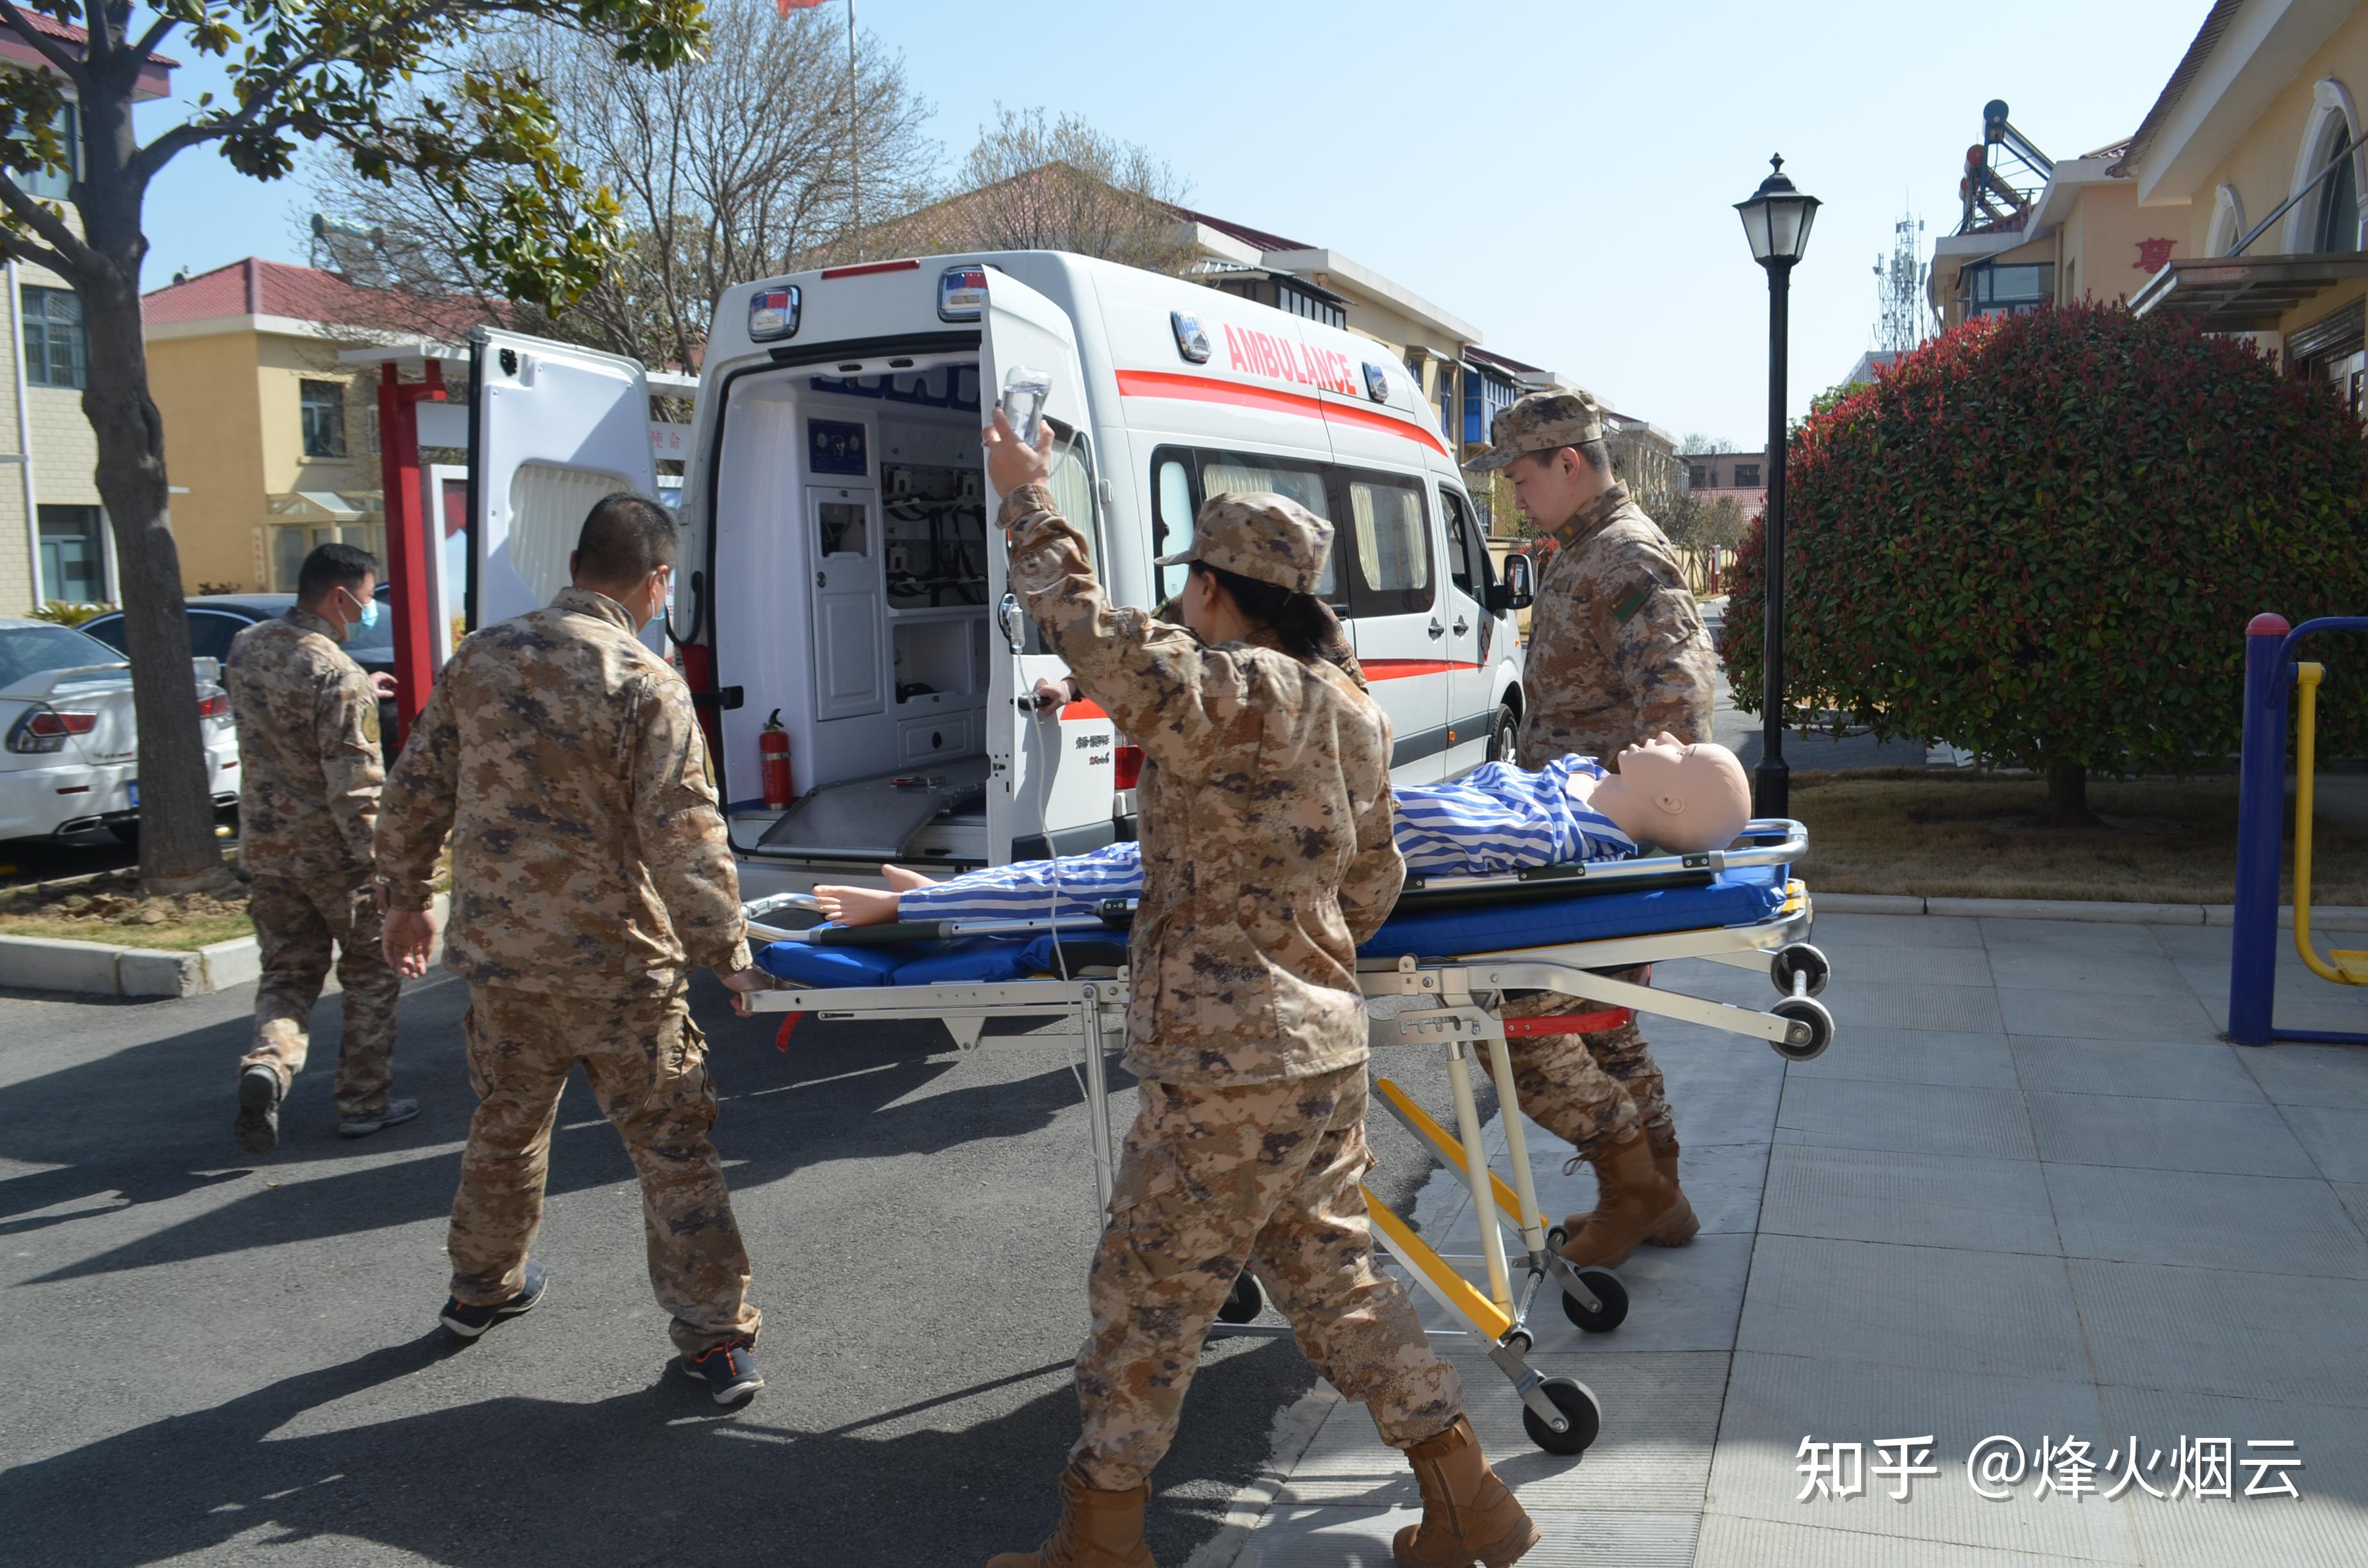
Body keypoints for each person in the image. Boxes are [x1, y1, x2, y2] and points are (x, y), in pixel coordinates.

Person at [980, 410, 1537, 1568]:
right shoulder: (1352, 708)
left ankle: (1103, 1539)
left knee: (1145, 1295)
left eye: (1192, 582)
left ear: (1220, 590)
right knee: (1336, 1284)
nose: (1184, 602)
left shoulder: (1243, 690)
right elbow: (1373, 875)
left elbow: (1102, 645)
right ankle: (1470, 1500)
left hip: (1228, 1066)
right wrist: (1296, 955)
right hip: (1321, 1050)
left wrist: (1030, 502)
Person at [375, 493, 773, 1405]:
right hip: (619, 969)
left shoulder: (481, 656)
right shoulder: (644, 678)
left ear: (579, 563)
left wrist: (405, 900)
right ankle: (714, 1339)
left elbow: (415, 788)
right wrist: (727, 950)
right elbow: (684, 830)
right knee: (673, 1146)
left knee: (506, 1125)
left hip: (503, 960)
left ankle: (482, 1288)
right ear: (655, 580)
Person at [1468, 389, 1723, 1271]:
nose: (1513, 494)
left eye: (1522, 474)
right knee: (1606, 1026)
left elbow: (1679, 708)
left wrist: (1636, 844)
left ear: (1568, 462)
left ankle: (1635, 1191)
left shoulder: (1624, 560)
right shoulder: (1584, 553)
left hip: (1600, 850)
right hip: (1575, 845)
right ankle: (1664, 1195)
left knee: (1520, 1030)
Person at [812, 737, 1751, 927]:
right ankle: (946, 899)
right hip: (1309, 835)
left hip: (1307, 858)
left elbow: (1401, 821)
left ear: (1671, 810)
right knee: (1119, 863)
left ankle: (927, 912)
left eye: (1684, 754)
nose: (1665, 736)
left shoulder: (1546, 837)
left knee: (1119, 882)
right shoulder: (1579, 790)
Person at [229, 542, 412, 1155]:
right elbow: (356, 789)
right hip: (335, 859)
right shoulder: (337, 675)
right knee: (370, 977)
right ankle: (364, 1103)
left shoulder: (249, 647)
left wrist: (363, 687)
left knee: (288, 973)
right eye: (366, 598)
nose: (368, 610)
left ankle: (270, 1064)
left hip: (268, 851)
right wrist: (388, 870)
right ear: (340, 597)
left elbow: (284, 717)